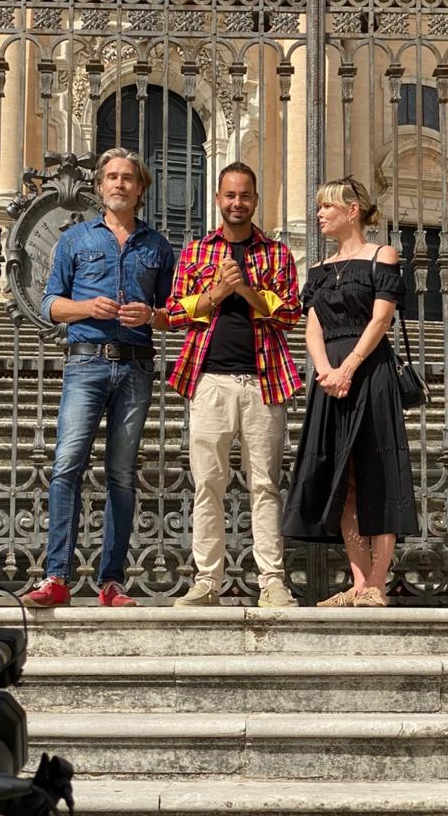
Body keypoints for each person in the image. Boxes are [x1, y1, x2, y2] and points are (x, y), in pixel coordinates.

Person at [21, 147, 175, 608]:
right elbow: (50, 304)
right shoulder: (74, 240)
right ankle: (56, 578)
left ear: (141, 188)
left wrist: (150, 314)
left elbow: (174, 315)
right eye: (111, 177)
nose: (119, 184)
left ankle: (112, 582)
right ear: (99, 186)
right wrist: (88, 307)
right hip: (85, 362)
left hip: (136, 365)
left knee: (122, 475)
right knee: (67, 464)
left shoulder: (158, 245)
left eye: (128, 177)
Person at [167, 162, 302, 608]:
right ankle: (207, 581)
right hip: (210, 382)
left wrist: (244, 289)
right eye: (229, 195)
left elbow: (287, 314)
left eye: (244, 196)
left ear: (255, 201)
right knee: (208, 483)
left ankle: (272, 580)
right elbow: (177, 312)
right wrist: (218, 294)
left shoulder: (278, 254)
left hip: (264, 382)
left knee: (264, 483)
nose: (237, 203)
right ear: (218, 198)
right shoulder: (195, 251)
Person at [282, 176, 418, 607]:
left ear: (352, 211)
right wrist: (326, 371)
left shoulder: (383, 256)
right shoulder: (319, 271)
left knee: (378, 471)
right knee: (345, 478)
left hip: (370, 370)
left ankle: (377, 582)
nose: (319, 214)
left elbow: (380, 321)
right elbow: (313, 329)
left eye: (327, 207)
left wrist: (349, 368)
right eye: (319, 207)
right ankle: (358, 582)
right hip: (331, 379)